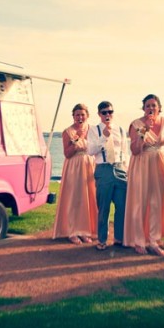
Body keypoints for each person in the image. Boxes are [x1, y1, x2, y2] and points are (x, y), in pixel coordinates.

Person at [123, 94, 164, 256]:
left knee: (156, 203)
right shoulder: (137, 124)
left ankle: (153, 241)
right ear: (143, 108)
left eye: (154, 105)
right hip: (141, 163)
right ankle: (139, 241)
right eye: (148, 105)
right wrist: (144, 130)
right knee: (140, 202)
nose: (151, 108)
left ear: (159, 107)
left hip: (160, 163)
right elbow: (134, 150)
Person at [52, 103, 98, 244]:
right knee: (75, 199)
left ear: (87, 116)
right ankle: (72, 231)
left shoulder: (93, 130)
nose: (80, 117)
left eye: (82, 114)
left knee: (88, 198)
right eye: (77, 114)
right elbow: (67, 153)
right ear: (73, 116)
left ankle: (84, 231)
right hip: (74, 166)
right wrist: (77, 139)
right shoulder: (68, 132)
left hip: (90, 164)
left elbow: (97, 149)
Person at [87, 101, 129, 251]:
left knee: (121, 206)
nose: (107, 115)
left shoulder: (121, 130)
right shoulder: (94, 130)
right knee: (103, 208)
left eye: (110, 112)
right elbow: (90, 151)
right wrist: (103, 138)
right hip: (103, 169)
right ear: (99, 114)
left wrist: (126, 169)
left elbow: (125, 151)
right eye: (104, 112)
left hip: (119, 168)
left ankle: (119, 237)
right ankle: (102, 239)